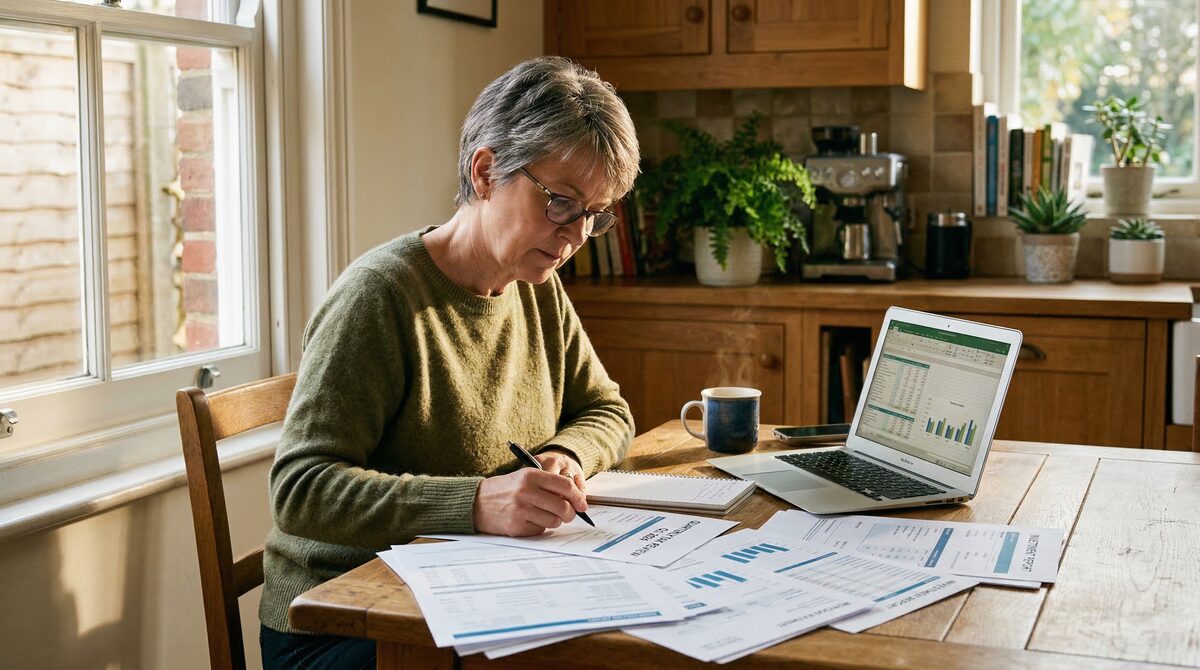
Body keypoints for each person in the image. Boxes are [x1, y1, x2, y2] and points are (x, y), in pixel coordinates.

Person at [258, 56, 640, 669]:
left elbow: (606, 410)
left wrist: (568, 455)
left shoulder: (535, 283)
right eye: (562, 203)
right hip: (347, 622)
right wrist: (476, 502)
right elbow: (301, 490)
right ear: (486, 171)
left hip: (472, 590)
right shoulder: (379, 296)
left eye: (594, 214)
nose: (574, 236)